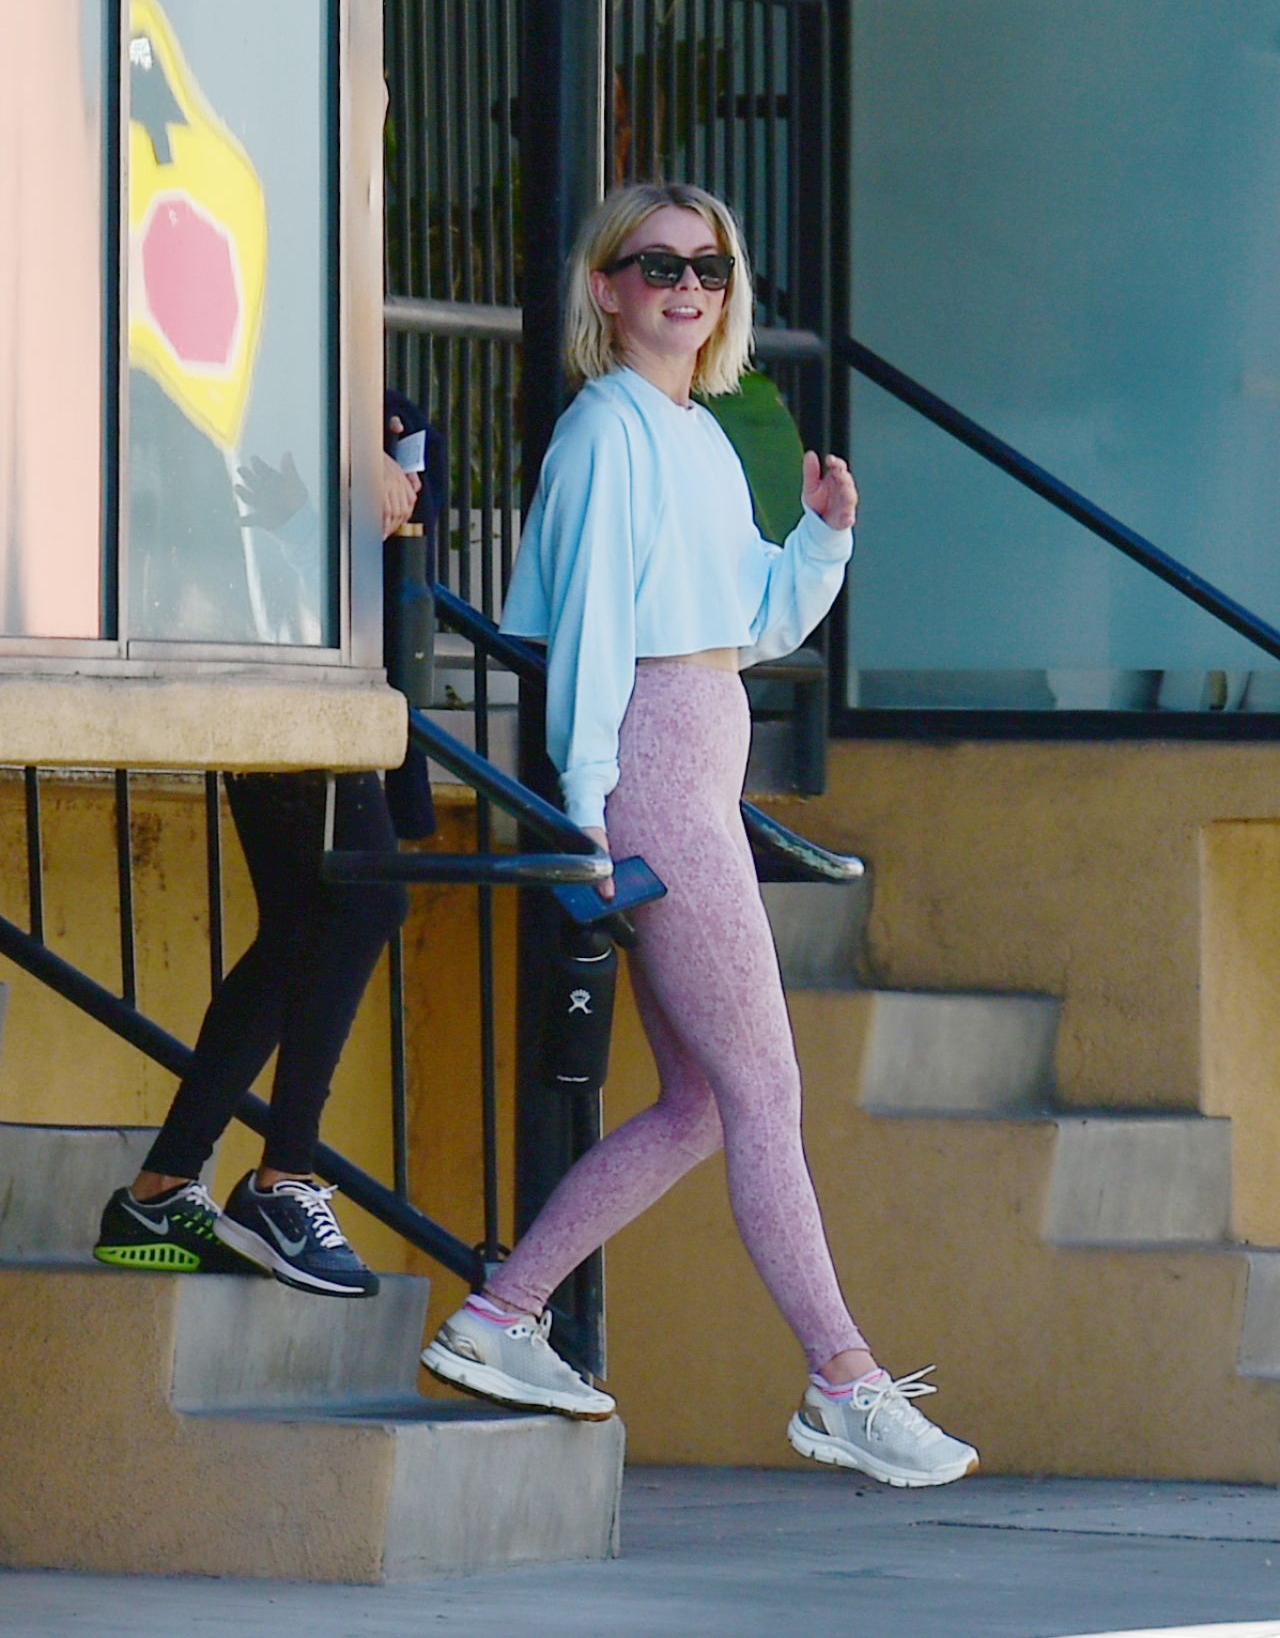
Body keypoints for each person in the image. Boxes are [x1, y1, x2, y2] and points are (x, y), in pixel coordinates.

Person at [421, 181, 978, 1488]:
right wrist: (587, 807)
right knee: (764, 1092)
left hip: (692, 746)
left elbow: (755, 622)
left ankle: (500, 1317)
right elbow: (597, 636)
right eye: (657, 262)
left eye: (712, 265)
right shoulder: (608, 431)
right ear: (605, 287)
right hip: (656, 774)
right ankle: (843, 1376)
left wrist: (828, 542)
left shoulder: (698, 435)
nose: (687, 285)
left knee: (698, 1106)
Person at [91, 411, 424, 1298]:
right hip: (258, 618)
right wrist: (355, 455)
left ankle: (163, 1189)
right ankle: (283, 1178)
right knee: (359, 901)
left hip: (293, 610)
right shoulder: (270, 318)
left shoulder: (320, 325)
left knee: (309, 921)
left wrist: (373, 453)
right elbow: (224, 412)